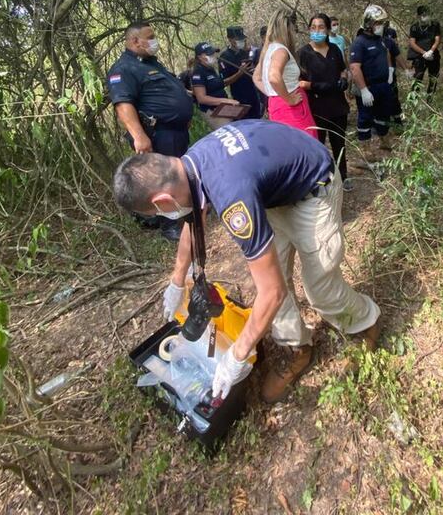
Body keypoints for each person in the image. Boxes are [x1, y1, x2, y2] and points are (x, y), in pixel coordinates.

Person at [112, 119, 381, 404]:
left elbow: (272, 293)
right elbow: (194, 222)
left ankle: (366, 322)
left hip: (314, 189)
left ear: (163, 201)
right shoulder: (190, 165)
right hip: (275, 193)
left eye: (155, 214)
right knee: (270, 276)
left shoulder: (232, 195)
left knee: (319, 289)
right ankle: (297, 348)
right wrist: (177, 280)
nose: (160, 218)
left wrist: (236, 357)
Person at [106, 20, 193, 242]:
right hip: (156, 133)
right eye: (150, 36)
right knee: (162, 178)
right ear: (135, 40)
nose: (154, 41)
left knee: (180, 174)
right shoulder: (123, 69)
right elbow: (123, 104)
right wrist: (139, 136)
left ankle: (187, 212)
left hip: (175, 131)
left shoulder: (151, 63)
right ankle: (170, 225)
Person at [298, 13, 351, 191]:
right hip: (316, 109)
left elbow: (343, 70)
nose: (317, 31)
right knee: (317, 147)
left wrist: (344, 79)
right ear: (309, 30)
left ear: (328, 29)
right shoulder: (303, 53)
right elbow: (301, 83)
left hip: (337, 106)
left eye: (321, 27)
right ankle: (320, 181)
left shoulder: (335, 49)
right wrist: (313, 86)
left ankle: (343, 177)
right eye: (313, 27)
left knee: (339, 145)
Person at [349, 5, 410, 160]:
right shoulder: (359, 42)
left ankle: (384, 140)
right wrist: (363, 90)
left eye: (382, 23)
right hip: (367, 88)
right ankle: (366, 148)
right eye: (378, 23)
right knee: (365, 118)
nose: (381, 26)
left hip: (383, 85)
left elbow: (396, 55)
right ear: (369, 23)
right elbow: (355, 68)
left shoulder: (383, 41)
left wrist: (406, 70)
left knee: (383, 115)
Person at [253, 9, 316, 135]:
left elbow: (256, 77)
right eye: (294, 29)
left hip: (277, 104)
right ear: (287, 28)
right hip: (291, 107)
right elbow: (274, 77)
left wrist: (273, 93)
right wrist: (288, 99)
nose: (294, 33)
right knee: (305, 144)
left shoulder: (268, 49)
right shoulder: (280, 51)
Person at [191, 42, 239, 130]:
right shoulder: (198, 72)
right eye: (209, 54)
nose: (213, 55)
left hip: (223, 108)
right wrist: (225, 101)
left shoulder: (211, 69)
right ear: (200, 57)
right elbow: (201, 98)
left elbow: (220, 84)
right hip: (213, 111)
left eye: (213, 53)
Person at [219, 26, 261, 118]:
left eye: (242, 39)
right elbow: (224, 82)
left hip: (254, 95)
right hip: (240, 99)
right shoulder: (224, 57)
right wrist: (239, 74)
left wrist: (253, 70)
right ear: (229, 39)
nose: (240, 41)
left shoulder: (245, 52)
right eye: (237, 39)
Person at [408, 5, 442, 101]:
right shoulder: (414, 27)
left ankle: (430, 99)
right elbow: (412, 43)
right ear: (418, 16)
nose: (425, 16)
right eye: (422, 15)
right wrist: (423, 53)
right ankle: (413, 101)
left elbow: (437, 39)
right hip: (419, 57)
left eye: (426, 14)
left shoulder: (435, 25)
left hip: (433, 56)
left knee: (433, 78)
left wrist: (431, 51)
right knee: (417, 79)